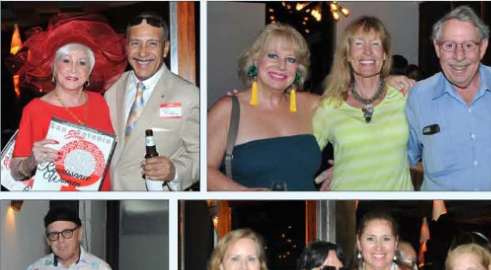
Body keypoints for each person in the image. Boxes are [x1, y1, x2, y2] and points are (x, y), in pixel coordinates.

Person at [406, 6, 491, 190]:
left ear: (483, 47)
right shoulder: (419, 96)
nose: (459, 56)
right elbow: (400, 159)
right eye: (449, 45)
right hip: (441, 209)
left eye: (468, 45)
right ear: (437, 48)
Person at [9, 15, 122, 191]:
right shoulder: (35, 109)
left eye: (82, 63)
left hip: (101, 196)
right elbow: (15, 172)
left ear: (89, 72)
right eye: (66, 60)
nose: (73, 69)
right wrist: (31, 161)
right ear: (54, 68)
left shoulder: (99, 102)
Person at [208, 24, 322, 191]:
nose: (281, 66)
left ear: (298, 69)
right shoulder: (228, 109)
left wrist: (342, 169)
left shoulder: (309, 104)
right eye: (273, 55)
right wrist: (243, 193)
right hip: (252, 207)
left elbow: (356, 111)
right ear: (256, 60)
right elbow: (204, 170)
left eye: (291, 59)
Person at [313, 17, 411, 191]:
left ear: (384, 54)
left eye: (375, 44)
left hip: (397, 203)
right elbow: (303, 157)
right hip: (347, 202)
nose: (367, 51)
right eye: (358, 44)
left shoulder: (404, 96)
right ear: (348, 55)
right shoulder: (329, 106)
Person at [105, 12, 200, 191]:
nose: (142, 52)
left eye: (152, 43)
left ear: (165, 48)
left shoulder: (188, 95)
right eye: (135, 43)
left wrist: (174, 171)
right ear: (126, 47)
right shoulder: (110, 88)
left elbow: (201, 155)